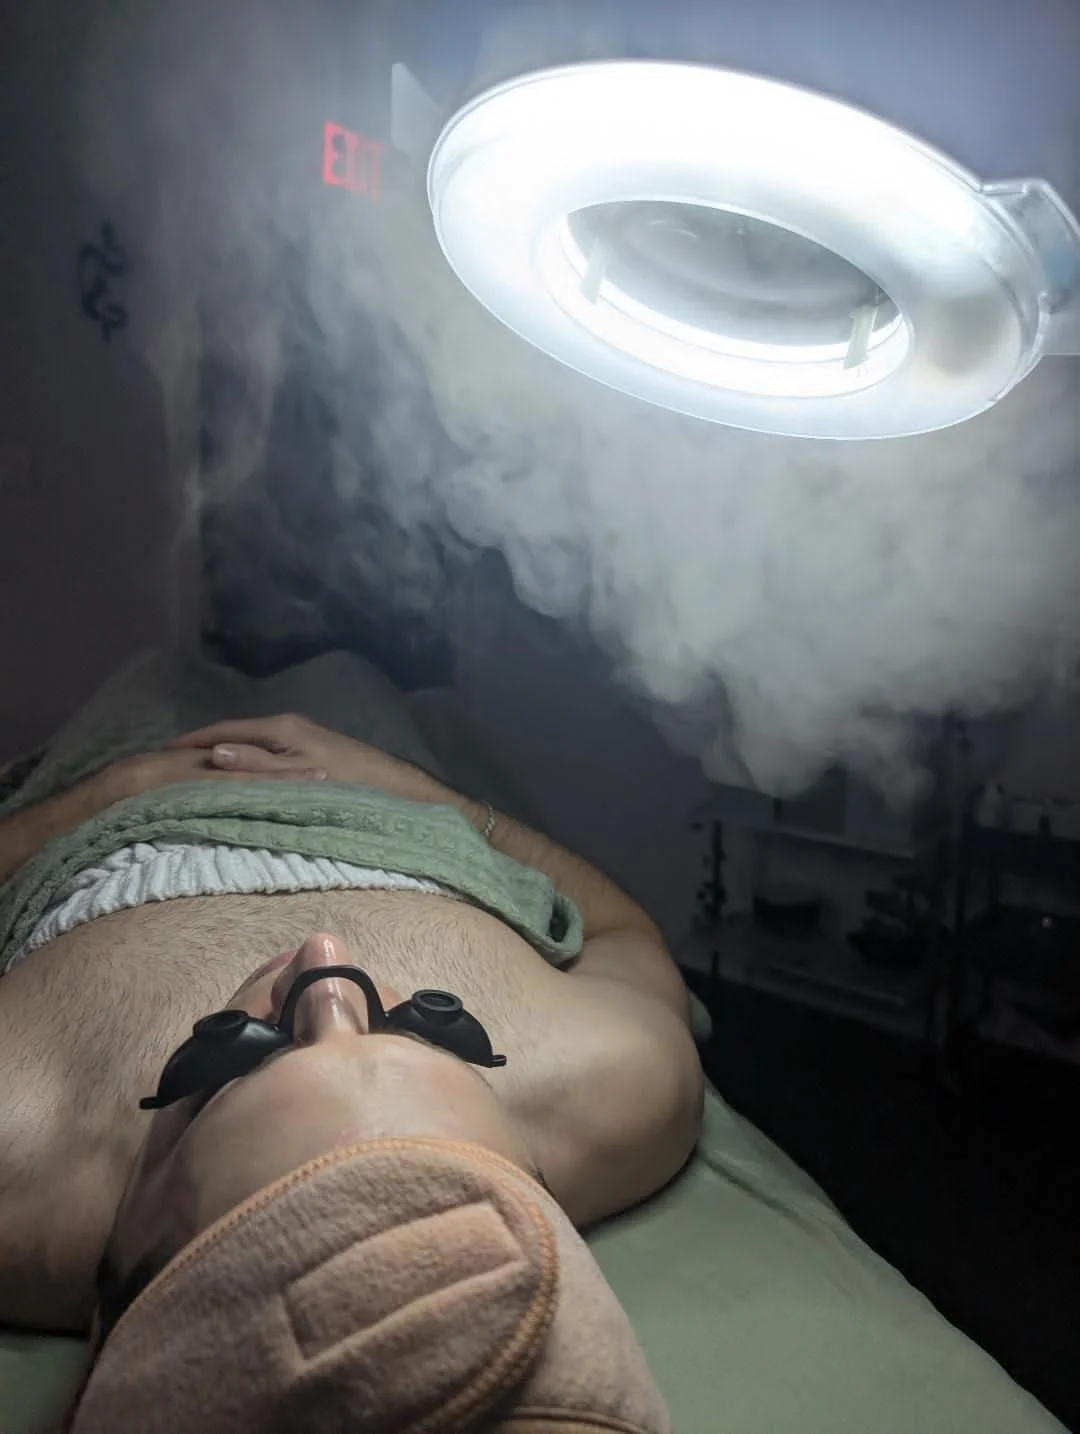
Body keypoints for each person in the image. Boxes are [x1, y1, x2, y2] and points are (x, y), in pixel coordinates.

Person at [0, 654, 704, 1359]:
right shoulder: (615, 1085)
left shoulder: (20, 1157)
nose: (325, 957)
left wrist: (95, 798)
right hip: (398, 812)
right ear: (532, 1168)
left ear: (133, 1231)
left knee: (157, 673)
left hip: (116, 819)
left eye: (242, 1048)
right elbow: (622, 933)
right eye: (430, 1024)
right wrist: (431, 798)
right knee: (352, 669)